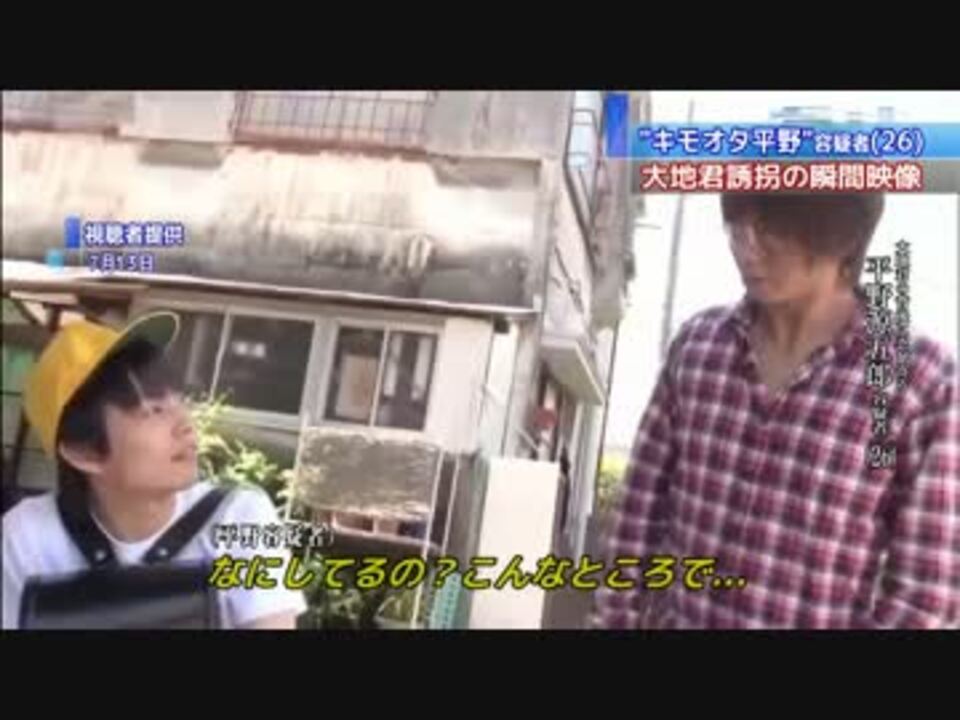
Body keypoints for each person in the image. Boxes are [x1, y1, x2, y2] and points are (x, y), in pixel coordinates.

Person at [592, 193, 959, 629]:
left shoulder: (918, 379)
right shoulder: (699, 347)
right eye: (737, 226)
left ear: (843, 237)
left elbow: (924, 594)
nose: (747, 246)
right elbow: (636, 519)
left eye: (772, 229)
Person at [2, 312, 307, 629]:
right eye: (154, 410)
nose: (186, 425)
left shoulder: (239, 516)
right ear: (85, 451)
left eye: (179, 401)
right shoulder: (26, 537)